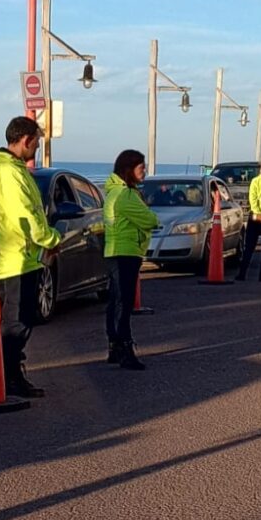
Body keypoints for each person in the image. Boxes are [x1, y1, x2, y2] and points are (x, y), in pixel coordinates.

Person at [0, 117, 61, 398]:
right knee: (17, 323)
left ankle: (11, 374)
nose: (38, 148)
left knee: (20, 320)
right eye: (37, 142)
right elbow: (27, 214)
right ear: (26, 140)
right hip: (16, 259)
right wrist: (50, 238)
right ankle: (10, 376)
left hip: (19, 256)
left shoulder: (11, 170)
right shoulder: (10, 173)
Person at [103, 149, 159, 370]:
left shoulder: (115, 192)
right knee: (123, 302)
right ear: (129, 170)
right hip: (124, 252)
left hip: (118, 251)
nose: (144, 171)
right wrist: (151, 217)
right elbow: (149, 219)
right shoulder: (125, 195)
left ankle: (114, 347)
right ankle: (124, 348)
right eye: (141, 167)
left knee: (116, 301)